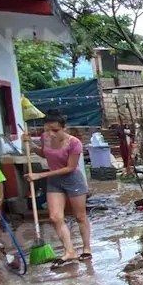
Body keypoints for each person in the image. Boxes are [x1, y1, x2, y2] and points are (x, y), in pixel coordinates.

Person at [25, 111, 92, 265]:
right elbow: (45, 154)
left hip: (73, 180)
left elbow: (70, 168)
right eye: (47, 130)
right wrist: (31, 145)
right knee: (55, 217)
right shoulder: (45, 138)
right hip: (54, 181)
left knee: (80, 216)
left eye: (55, 130)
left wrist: (40, 175)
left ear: (64, 128)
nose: (51, 134)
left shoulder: (74, 143)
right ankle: (69, 251)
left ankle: (86, 248)